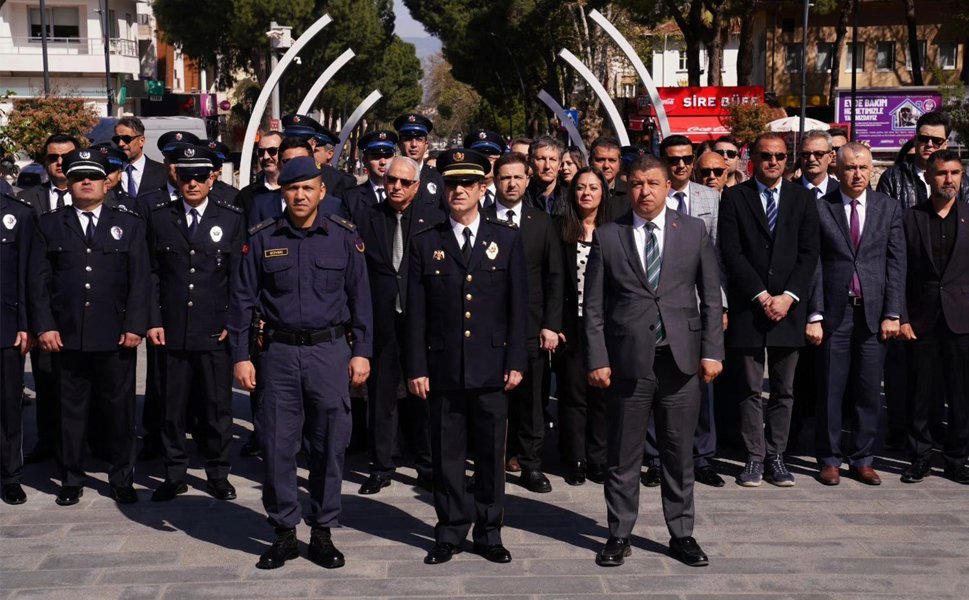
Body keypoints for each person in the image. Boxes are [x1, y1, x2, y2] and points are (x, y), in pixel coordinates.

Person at [228, 156, 373, 569]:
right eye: (293, 188)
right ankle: (284, 531)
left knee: (330, 444)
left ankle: (323, 530)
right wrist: (241, 356)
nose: (301, 194)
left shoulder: (343, 236)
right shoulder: (262, 237)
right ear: (283, 193)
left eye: (309, 187)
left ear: (322, 191)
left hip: (329, 353)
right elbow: (241, 301)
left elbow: (361, 299)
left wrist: (362, 351)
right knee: (277, 444)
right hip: (278, 355)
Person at [584, 154, 723, 568]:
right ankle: (619, 533)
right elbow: (593, 306)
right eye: (638, 184)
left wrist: (713, 350)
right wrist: (598, 357)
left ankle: (681, 534)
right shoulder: (610, 236)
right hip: (628, 362)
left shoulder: (693, 231)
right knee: (624, 453)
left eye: (654, 184)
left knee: (678, 452)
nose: (646, 192)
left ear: (668, 187)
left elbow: (711, 297)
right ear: (628, 187)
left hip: (680, 361)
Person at [406, 148, 527, 565]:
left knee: (492, 455)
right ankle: (450, 530)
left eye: (467, 184)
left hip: (493, 367)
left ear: (482, 188)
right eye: (451, 184)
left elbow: (518, 308)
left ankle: (489, 531)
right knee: (447, 456)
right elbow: (415, 311)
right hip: (443, 368)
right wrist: (417, 366)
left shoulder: (506, 239)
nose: (458, 191)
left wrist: (516, 361)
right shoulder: (426, 242)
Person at [27, 148, 150, 506]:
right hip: (66, 337)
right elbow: (39, 281)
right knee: (70, 411)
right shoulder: (50, 224)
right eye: (79, 176)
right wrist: (44, 327)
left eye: (93, 176)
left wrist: (135, 325)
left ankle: (122, 477)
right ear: (68, 182)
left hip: (115, 336)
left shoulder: (128, 224)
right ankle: (71, 477)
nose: (86, 181)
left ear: (105, 183)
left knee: (119, 411)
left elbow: (140, 281)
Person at [718, 132, 820, 487]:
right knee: (747, 388)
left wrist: (788, 296)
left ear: (786, 159)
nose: (773, 162)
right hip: (751, 306)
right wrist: (762, 296)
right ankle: (754, 457)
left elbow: (809, 254)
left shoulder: (803, 199)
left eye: (779, 156)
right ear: (754, 159)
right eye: (766, 156)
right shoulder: (734, 198)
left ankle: (777, 455)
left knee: (784, 389)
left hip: (789, 308)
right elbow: (731, 253)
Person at [145, 145, 245, 502]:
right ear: (176, 177)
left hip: (213, 329)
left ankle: (218, 473)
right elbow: (152, 275)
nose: (192, 183)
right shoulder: (159, 217)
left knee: (216, 408)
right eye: (185, 176)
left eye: (200, 176)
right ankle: (174, 474)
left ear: (212, 178)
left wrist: (232, 322)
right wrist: (153, 320)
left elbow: (238, 279)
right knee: (172, 407)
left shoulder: (231, 218)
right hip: (171, 329)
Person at [807, 143, 905, 486]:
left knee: (867, 390)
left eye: (863, 167)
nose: (858, 174)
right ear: (837, 169)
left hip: (874, 314)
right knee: (831, 389)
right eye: (850, 168)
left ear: (872, 168)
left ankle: (863, 457)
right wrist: (814, 313)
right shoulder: (821, 209)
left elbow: (896, 263)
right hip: (835, 314)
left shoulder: (888, 209)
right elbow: (814, 264)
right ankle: (829, 458)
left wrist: (893, 312)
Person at [353, 156, 443, 495]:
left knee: (424, 394)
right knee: (381, 395)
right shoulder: (366, 218)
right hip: (381, 321)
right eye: (392, 180)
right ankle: (381, 465)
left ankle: (427, 465)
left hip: (423, 323)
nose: (397, 187)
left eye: (405, 182)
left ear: (417, 186)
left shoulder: (435, 220)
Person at [640, 135, 725, 488]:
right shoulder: (647, 199)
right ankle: (657, 458)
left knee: (701, 383)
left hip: (698, 306)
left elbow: (717, 258)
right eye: (672, 160)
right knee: (653, 383)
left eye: (686, 159)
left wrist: (720, 306)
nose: (679, 166)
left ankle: (702, 456)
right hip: (656, 306)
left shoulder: (711, 198)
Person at [876, 111, 966, 449]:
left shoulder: (958, 182)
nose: (928, 145)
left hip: (953, 298)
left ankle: (944, 437)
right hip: (912, 292)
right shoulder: (894, 179)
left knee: (950, 378)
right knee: (906, 374)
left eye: (936, 141)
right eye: (923, 139)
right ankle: (906, 436)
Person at [484, 152, 563, 492]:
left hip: (531, 327)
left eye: (518, 177)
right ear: (495, 180)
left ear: (528, 179)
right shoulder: (480, 219)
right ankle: (492, 464)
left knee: (532, 399)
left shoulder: (540, 222)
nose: (512, 183)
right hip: (490, 329)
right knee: (492, 399)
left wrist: (550, 323)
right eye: (505, 178)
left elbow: (555, 277)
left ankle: (531, 463)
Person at [898, 150, 969, 485]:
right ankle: (920, 456)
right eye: (942, 173)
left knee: (961, 393)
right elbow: (898, 272)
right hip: (921, 318)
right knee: (921, 393)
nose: (949, 179)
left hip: (962, 319)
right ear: (928, 177)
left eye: (955, 172)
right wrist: (902, 316)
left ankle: (956, 458)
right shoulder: (910, 218)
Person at [18, 134, 78, 465]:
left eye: (65, 156)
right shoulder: (27, 201)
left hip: (81, 305)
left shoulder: (94, 194)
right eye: (53, 157)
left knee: (84, 381)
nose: (59, 163)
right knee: (46, 378)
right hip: (43, 305)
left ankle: (86, 441)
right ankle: (48, 440)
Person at [555, 167, 612, 486]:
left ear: (603, 193)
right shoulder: (560, 229)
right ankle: (575, 458)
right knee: (573, 394)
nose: (586, 193)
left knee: (601, 393)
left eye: (593, 187)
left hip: (605, 325)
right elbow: (554, 281)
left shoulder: (614, 229)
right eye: (580, 188)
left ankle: (598, 458)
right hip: (571, 325)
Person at [0, 189, 34, 505]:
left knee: (9, 405)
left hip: (6, 326)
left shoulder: (19, 213)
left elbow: (28, 276)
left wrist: (26, 323)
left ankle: (11, 476)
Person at [280, 114, 354, 200]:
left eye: (302, 141)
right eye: (290, 139)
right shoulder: (269, 177)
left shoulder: (335, 180)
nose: (295, 144)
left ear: (313, 144)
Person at [342, 130, 398, 219]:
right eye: (376, 156)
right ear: (365, 161)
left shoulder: (404, 193)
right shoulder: (351, 198)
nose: (383, 162)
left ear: (394, 158)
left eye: (387, 156)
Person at [394, 113, 445, 208]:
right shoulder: (391, 179)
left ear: (426, 145)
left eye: (419, 139)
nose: (414, 144)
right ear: (399, 144)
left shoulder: (439, 178)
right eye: (408, 139)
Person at [113, 116, 169, 196]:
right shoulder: (110, 172)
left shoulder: (163, 172)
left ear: (141, 141)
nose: (120, 144)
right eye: (117, 139)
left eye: (126, 139)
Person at [236, 131, 283, 224]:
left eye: (272, 151)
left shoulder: (296, 190)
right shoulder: (246, 195)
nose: (266, 157)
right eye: (261, 152)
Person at [523, 136, 565, 216]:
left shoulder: (571, 200)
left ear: (560, 164)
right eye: (541, 159)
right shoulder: (520, 200)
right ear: (530, 162)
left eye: (553, 159)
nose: (547, 166)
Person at [795, 130, 837, 197]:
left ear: (830, 157)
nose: (811, 159)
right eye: (806, 154)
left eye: (818, 154)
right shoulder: (788, 192)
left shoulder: (841, 191)